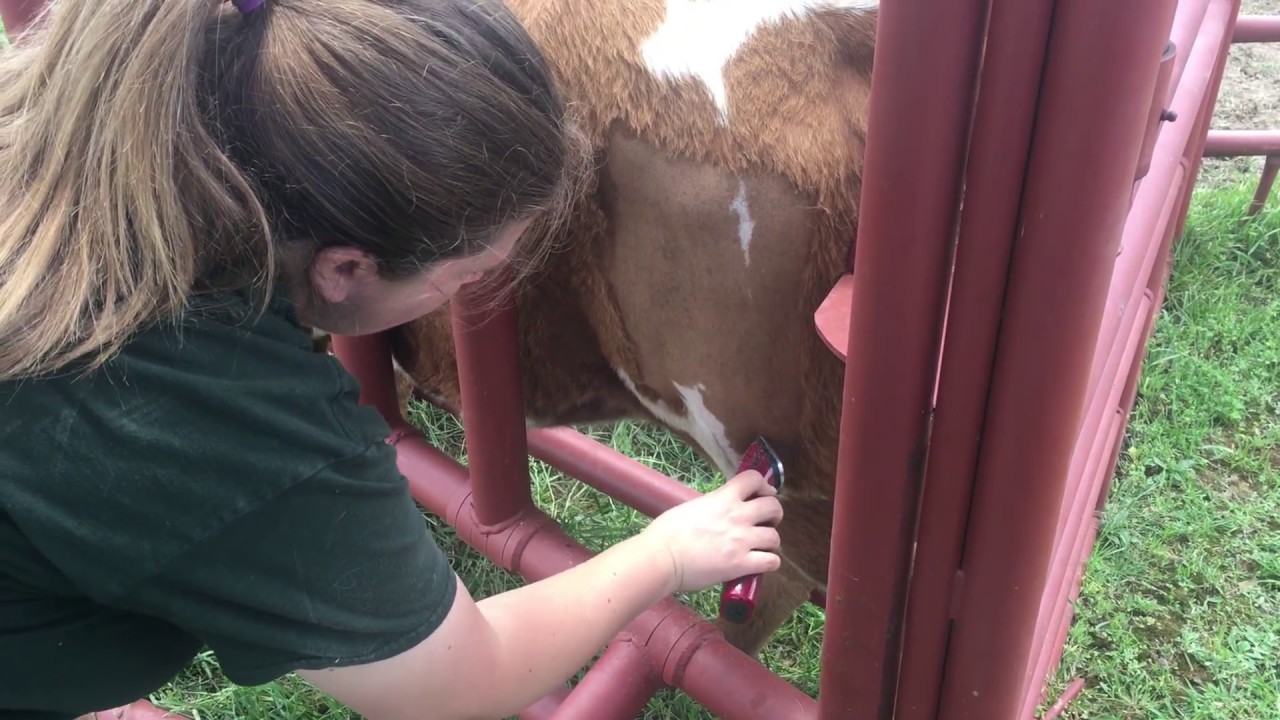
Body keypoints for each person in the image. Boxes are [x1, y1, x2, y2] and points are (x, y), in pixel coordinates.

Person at [0, 1, 786, 719]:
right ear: (346, 271)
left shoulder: (67, 130)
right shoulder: (197, 400)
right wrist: (665, 553)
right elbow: (456, 682)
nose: (467, 294)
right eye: (466, 277)